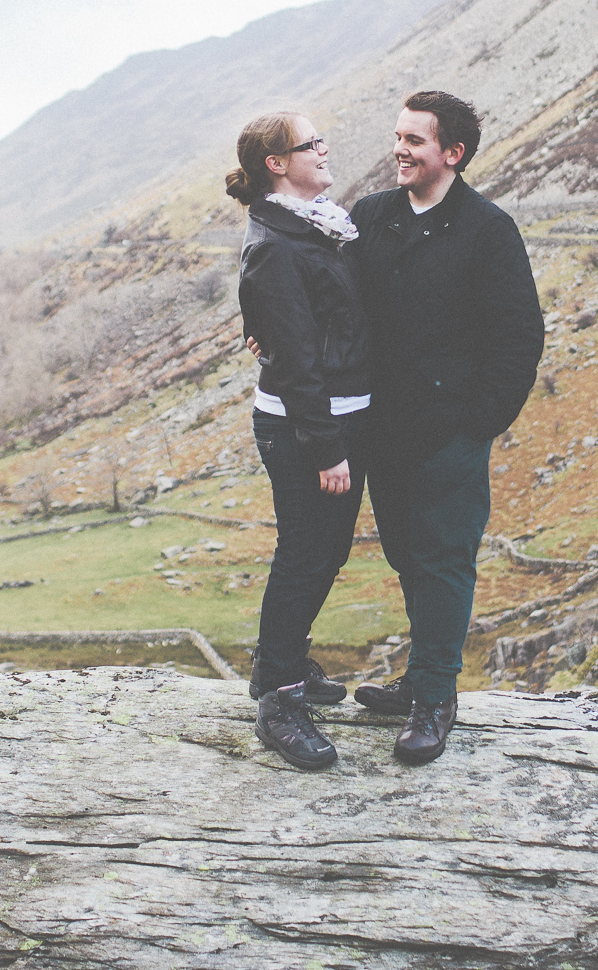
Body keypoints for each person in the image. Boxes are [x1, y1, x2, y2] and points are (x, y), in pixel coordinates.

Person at [348, 90, 544, 764]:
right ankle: (419, 680)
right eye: (397, 135)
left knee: (445, 559)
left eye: (414, 140)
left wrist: (479, 422)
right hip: (383, 431)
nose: (399, 149)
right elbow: (328, 295)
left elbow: (520, 335)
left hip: (450, 434)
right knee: (407, 554)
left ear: (452, 154)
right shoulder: (369, 217)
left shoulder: (490, 231)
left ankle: (435, 697)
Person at [226, 111, 371, 771]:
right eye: (310, 142)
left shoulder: (315, 225)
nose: (324, 146)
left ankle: (279, 664)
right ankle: (279, 700)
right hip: (306, 422)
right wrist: (326, 446)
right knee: (306, 550)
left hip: (335, 411)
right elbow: (296, 357)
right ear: (277, 164)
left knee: (324, 548)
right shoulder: (279, 243)